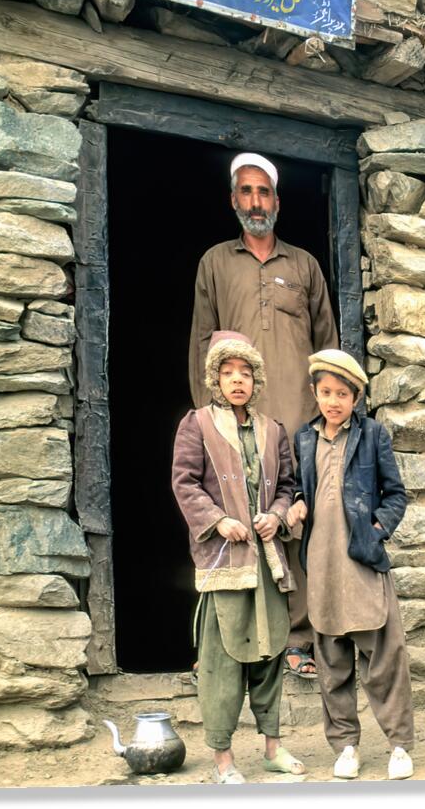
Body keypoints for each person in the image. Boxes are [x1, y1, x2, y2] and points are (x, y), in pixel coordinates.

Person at [189, 151, 338, 676]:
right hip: (239, 424)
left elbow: (327, 346)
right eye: (246, 192)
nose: (256, 202)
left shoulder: (303, 266)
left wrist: (330, 418)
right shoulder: (215, 262)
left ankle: (301, 637)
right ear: (234, 200)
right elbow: (202, 344)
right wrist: (207, 423)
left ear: (277, 200)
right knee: (239, 522)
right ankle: (244, 641)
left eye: (264, 192)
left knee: (301, 523)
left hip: (300, 420)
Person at [172, 330, 305, 783]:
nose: (236, 381)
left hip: (267, 563)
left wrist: (277, 515)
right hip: (224, 563)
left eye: (244, 373)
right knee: (223, 661)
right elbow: (185, 482)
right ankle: (223, 759)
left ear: (255, 380)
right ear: (215, 379)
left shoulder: (274, 431)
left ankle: (272, 748)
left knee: (270, 655)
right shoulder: (198, 424)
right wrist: (216, 520)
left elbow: (288, 486)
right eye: (227, 373)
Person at [287, 349, 415, 781]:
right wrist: (298, 506)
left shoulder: (372, 435)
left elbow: (396, 495)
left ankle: (399, 744)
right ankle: (346, 746)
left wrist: (377, 527)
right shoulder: (305, 439)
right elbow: (299, 489)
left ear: (356, 397)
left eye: (342, 393)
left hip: (361, 562)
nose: (333, 401)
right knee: (332, 662)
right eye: (325, 392)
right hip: (321, 566)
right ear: (314, 393)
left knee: (383, 657)